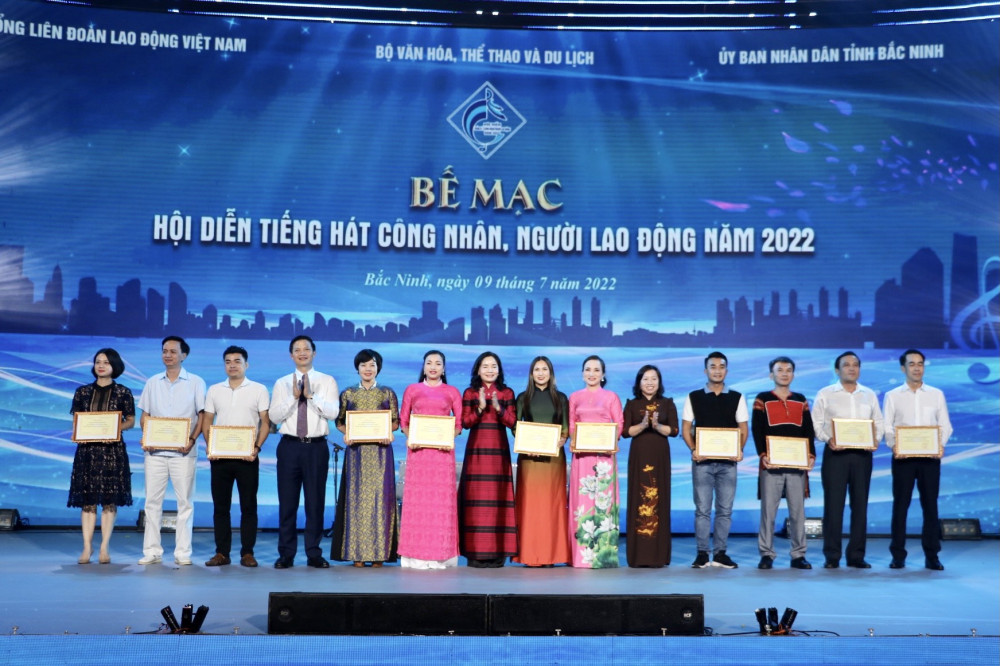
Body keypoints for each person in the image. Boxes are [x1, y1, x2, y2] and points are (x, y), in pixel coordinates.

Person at [269, 335, 340, 569]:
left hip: (316, 447)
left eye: (306, 349)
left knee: (315, 502)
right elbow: (274, 417)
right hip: (289, 446)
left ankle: (314, 553)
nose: (302, 353)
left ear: (314, 353)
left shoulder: (327, 381)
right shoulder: (281, 383)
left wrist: (311, 396)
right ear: (291, 355)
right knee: (287, 503)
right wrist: (294, 397)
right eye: (297, 350)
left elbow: (333, 413)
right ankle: (286, 554)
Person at [812, 351, 884, 569]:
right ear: (837, 370)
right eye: (846, 365)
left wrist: (875, 439)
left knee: (860, 506)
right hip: (836, 455)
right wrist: (828, 439)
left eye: (855, 365)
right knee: (833, 507)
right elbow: (816, 424)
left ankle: (856, 556)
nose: (852, 368)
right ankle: (832, 555)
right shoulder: (825, 394)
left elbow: (878, 422)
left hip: (862, 456)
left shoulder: (869, 394)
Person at [137, 336, 205, 566]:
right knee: (152, 502)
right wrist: (147, 436)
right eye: (164, 351)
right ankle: (152, 551)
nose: (168, 355)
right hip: (154, 453)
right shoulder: (152, 382)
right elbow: (145, 415)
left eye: (173, 351)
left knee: (185, 503)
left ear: (184, 355)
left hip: (184, 453)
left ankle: (183, 553)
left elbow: (202, 416)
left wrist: (192, 440)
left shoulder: (196, 382)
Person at [201, 346, 270, 568]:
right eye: (228, 361)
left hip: (247, 457)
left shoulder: (258, 389)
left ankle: (247, 553)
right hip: (220, 458)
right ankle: (222, 552)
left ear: (246, 364)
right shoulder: (214, 390)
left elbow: (266, 422)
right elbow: (207, 421)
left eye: (237, 361)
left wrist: (256, 448)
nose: (232, 365)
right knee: (221, 507)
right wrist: (211, 446)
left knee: (248, 506)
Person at [331, 349, 400, 567]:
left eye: (372, 365)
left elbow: (395, 422)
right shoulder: (348, 393)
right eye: (363, 365)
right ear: (357, 368)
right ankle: (357, 553)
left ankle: (379, 554)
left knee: (380, 501)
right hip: (356, 454)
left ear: (378, 368)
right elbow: (339, 422)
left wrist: (388, 432)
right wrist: (347, 434)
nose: (368, 369)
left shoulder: (387, 393)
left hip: (381, 454)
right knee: (357, 501)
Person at [884, 349, 952, 571]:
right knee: (900, 506)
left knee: (930, 506)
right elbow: (887, 426)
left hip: (929, 459)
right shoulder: (893, 395)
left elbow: (945, 425)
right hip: (903, 458)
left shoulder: (936, 394)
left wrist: (940, 445)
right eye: (912, 364)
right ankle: (898, 555)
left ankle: (932, 556)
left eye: (920, 364)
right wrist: (894, 446)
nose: (916, 368)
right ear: (903, 368)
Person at [681, 351, 748, 569]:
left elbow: (743, 429)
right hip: (702, 462)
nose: (717, 370)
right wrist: (694, 449)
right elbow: (685, 428)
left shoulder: (737, 397)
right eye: (713, 366)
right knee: (702, 509)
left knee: (725, 510)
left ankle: (720, 553)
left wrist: (738, 450)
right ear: (705, 370)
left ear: (726, 370)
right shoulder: (694, 396)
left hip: (728, 464)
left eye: (721, 366)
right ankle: (702, 554)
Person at [68, 348, 135, 565]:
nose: (101, 365)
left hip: (112, 452)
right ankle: (87, 547)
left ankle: (104, 547)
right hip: (87, 452)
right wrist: (82, 431)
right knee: (87, 502)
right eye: (98, 361)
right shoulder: (82, 392)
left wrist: (115, 429)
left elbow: (131, 421)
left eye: (106, 362)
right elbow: (78, 421)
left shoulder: (123, 392)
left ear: (115, 366)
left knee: (109, 501)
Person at [398, 350, 463, 569]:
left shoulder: (452, 392)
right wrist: (412, 438)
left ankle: (441, 555)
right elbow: (404, 421)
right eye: (429, 363)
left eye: (438, 363)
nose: (433, 367)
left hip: (442, 455)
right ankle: (415, 556)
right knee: (418, 504)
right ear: (424, 367)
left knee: (440, 505)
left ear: (444, 368)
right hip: (419, 454)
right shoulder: (412, 390)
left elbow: (458, 424)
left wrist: (448, 438)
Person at [751, 356, 816, 571]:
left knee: (798, 513)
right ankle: (766, 554)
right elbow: (757, 429)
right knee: (768, 512)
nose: (784, 373)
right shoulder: (762, 399)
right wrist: (762, 454)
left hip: (797, 465)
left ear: (793, 375)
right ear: (772, 374)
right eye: (780, 370)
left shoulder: (801, 399)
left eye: (788, 370)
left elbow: (808, 430)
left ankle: (798, 555)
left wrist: (811, 454)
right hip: (771, 464)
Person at [458, 351, 518, 567]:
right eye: (485, 366)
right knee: (476, 501)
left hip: (498, 453)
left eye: (493, 366)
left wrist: (499, 409)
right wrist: (481, 408)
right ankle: (475, 553)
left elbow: (513, 423)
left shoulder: (507, 392)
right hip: (476, 451)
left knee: (498, 500)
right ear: (477, 370)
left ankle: (497, 553)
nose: (490, 370)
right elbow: (465, 423)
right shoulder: (470, 392)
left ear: (499, 370)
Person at [512, 356, 571, 567]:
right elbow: (516, 427)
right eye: (536, 369)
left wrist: (562, 439)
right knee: (531, 506)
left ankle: (551, 555)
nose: (540, 373)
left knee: (551, 506)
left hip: (553, 459)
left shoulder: (561, 398)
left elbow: (565, 428)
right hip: (529, 460)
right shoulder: (522, 398)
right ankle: (530, 555)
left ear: (551, 373)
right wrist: (528, 444)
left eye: (544, 369)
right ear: (531, 374)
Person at [567, 355, 624, 569]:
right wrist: (576, 441)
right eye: (588, 369)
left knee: (603, 504)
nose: (592, 374)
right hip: (582, 457)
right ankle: (580, 556)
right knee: (581, 505)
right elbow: (571, 425)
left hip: (604, 458)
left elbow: (619, 424)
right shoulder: (574, 397)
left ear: (603, 374)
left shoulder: (611, 397)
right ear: (582, 373)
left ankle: (603, 555)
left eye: (596, 370)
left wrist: (608, 441)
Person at [622, 364, 678, 568]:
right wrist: (644, 425)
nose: (650, 383)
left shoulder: (667, 403)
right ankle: (638, 556)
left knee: (659, 499)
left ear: (659, 382)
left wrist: (657, 426)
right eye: (645, 379)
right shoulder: (632, 404)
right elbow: (625, 432)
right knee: (639, 499)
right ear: (639, 382)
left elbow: (674, 430)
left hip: (660, 457)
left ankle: (658, 556)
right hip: (639, 456)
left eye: (654, 378)